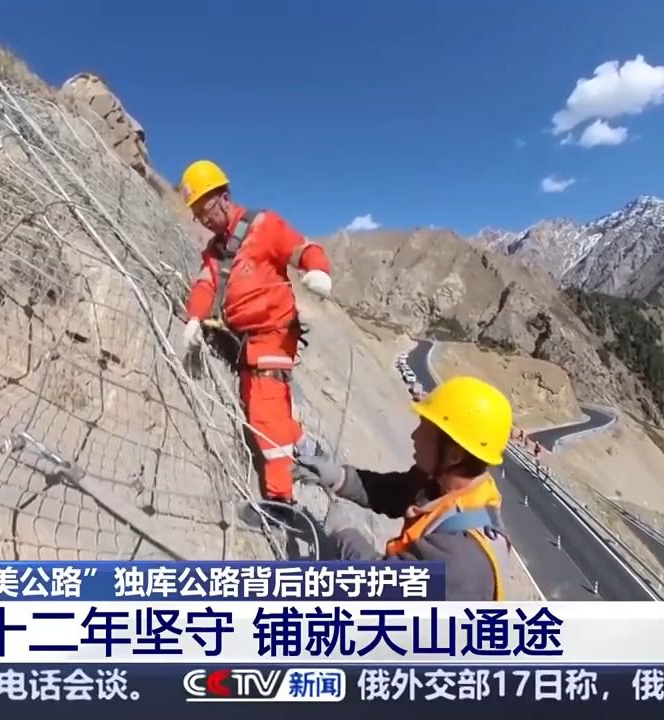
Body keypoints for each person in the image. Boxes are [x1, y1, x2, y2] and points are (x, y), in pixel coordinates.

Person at [178, 159, 332, 504]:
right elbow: (205, 285)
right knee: (263, 407)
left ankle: (281, 501)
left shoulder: (264, 226)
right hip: (244, 343)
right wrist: (194, 318)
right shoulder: (215, 252)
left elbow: (304, 249)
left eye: (206, 210)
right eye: (198, 215)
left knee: (265, 414)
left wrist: (318, 271)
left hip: (273, 334)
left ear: (224, 197)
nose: (204, 220)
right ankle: (308, 449)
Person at [293, 376, 515, 600]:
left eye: (425, 429)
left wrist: (343, 533)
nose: (414, 436)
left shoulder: (459, 559)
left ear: (454, 455)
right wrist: (339, 478)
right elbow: (393, 491)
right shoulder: (450, 485)